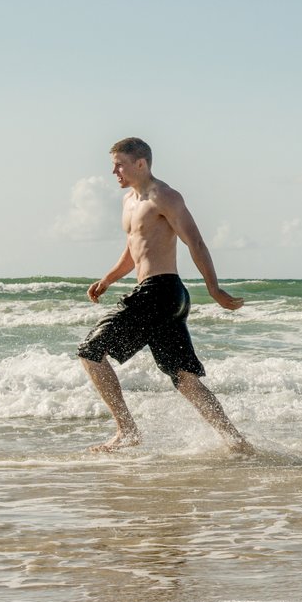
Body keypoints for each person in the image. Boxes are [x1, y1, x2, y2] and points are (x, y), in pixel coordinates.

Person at [76, 137, 253, 454]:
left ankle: (127, 432)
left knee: (90, 351)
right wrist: (107, 280)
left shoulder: (164, 196)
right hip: (165, 297)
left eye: (120, 164)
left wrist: (214, 289)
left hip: (160, 291)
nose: (114, 171)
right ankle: (236, 442)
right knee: (184, 377)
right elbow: (134, 251)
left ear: (140, 164)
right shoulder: (129, 201)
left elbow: (195, 242)